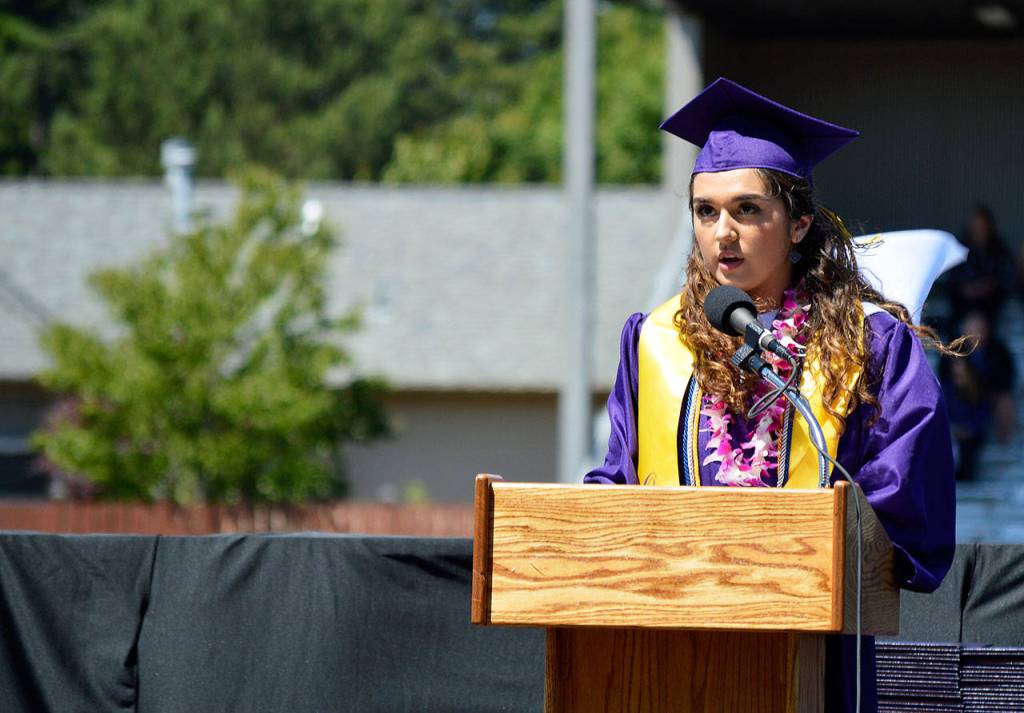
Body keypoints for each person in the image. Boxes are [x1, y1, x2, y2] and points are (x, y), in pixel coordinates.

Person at [584, 78, 959, 713]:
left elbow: (905, 504)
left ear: (799, 224)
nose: (722, 233)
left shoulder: (867, 347)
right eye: (706, 211)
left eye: (747, 209)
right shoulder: (652, 340)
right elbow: (617, 479)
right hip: (666, 644)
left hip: (812, 648)